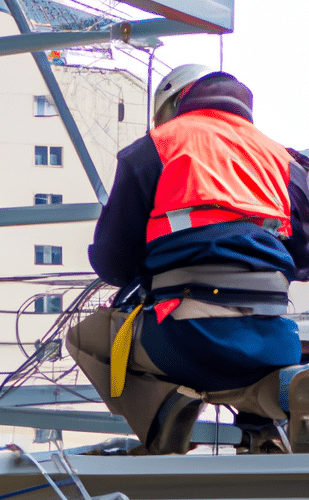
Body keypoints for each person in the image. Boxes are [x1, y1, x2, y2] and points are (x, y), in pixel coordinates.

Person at [67, 64, 309, 454]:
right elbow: (303, 258)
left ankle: (166, 413)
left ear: (178, 102)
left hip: (183, 339)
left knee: (85, 337)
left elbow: (113, 262)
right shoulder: (284, 161)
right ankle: (269, 414)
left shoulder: (157, 146)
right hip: (275, 341)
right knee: (248, 363)